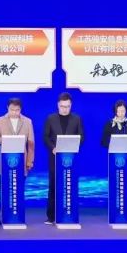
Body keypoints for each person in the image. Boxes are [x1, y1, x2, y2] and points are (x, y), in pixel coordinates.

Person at [43, 92, 84, 224]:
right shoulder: (51, 119)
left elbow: (81, 136)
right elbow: (45, 137)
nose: (65, 109)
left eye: (67, 106)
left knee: (69, 185)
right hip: (55, 157)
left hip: (70, 159)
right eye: (62, 106)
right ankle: (51, 216)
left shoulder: (77, 119)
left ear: (71, 105)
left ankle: (69, 213)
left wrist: (74, 145)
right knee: (54, 185)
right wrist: (52, 148)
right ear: (58, 105)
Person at [100, 98, 127, 202]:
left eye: (123, 111)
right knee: (116, 183)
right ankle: (116, 204)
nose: (121, 113)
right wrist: (114, 143)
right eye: (119, 111)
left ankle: (126, 204)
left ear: (126, 111)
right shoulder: (109, 124)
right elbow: (103, 141)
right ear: (115, 111)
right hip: (115, 158)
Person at [0, 97, 35, 175]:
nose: (14, 112)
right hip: (4, 161)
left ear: (21, 109)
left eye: (17, 110)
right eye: (12, 110)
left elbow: (31, 143)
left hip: (22, 161)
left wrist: (29, 161)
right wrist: (8, 140)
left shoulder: (28, 122)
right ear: (7, 108)